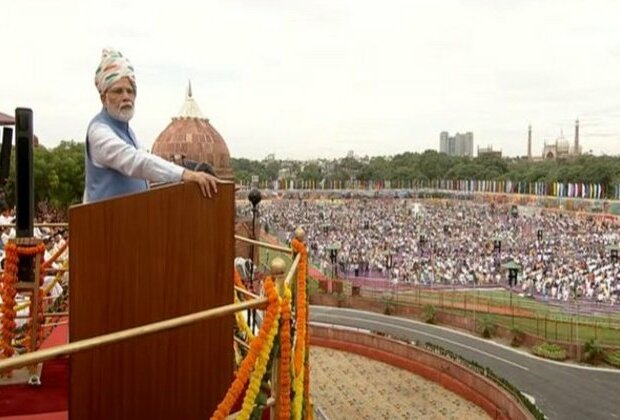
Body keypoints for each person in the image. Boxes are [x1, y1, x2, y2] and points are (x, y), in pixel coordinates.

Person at [84, 48, 219, 203]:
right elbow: (135, 161)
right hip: (106, 223)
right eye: (118, 91)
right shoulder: (99, 132)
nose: (126, 97)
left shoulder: (128, 133)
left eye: (130, 91)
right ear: (103, 98)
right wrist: (185, 174)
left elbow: (146, 165)